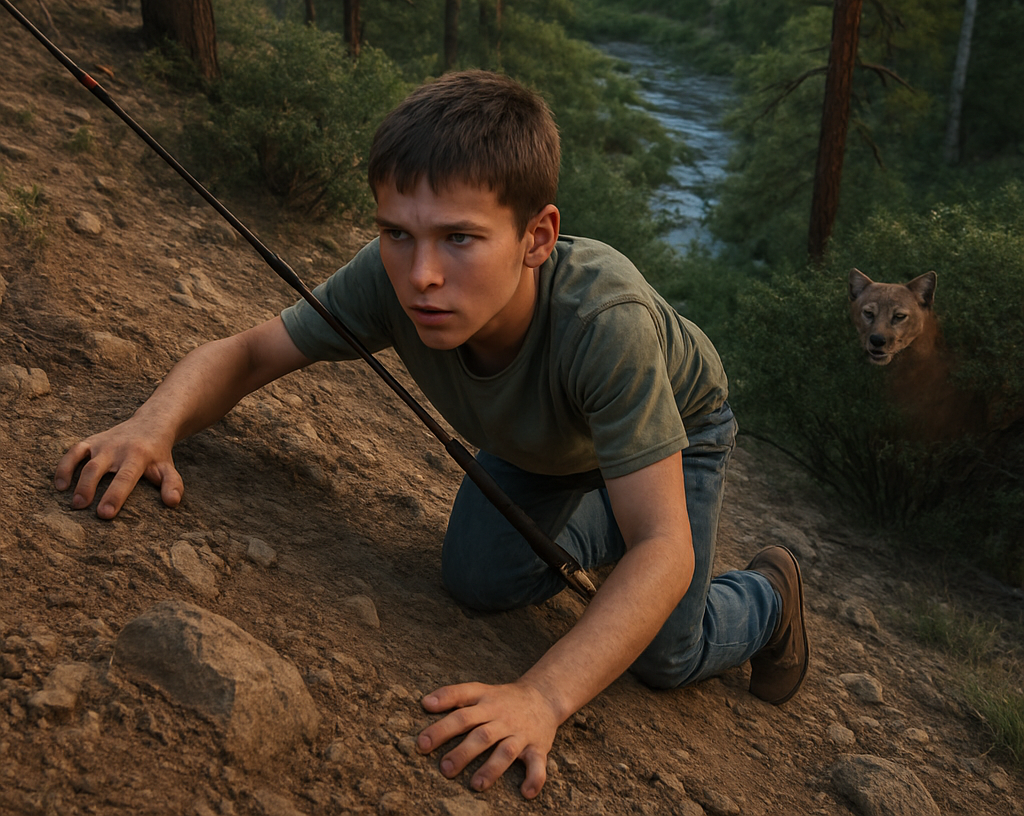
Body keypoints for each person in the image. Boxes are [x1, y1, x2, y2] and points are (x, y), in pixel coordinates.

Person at [56, 70, 809, 800]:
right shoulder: (390, 278)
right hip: (540, 444)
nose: (421, 274)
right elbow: (251, 351)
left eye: (459, 238)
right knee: (479, 581)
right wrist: (153, 426)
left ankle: (769, 596)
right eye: (396, 232)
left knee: (666, 655)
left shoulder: (604, 325)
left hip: (679, 424)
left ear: (537, 236)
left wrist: (541, 697)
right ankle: (624, 511)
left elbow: (666, 549)